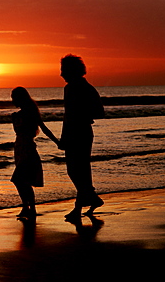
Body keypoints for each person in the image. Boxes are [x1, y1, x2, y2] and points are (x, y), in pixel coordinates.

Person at [58, 54, 105, 223]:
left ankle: (89, 200)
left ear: (70, 70)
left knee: (76, 171)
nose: (61, 74)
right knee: (80, 171)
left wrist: (65, 137)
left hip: (77, 133)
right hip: (82, 132)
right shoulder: (86, 87)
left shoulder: (73, 88)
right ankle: (83, 204)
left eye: (63, 70)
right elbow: (98, 112)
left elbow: (70, 115)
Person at [11, 86, 59, 219]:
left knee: (18, 179)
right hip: (19, 148)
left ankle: (29, 208)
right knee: (23, 180)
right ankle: (28, 207)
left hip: (27, 148)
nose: (12, 100)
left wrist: (57, 142)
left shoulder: (30, 113)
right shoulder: (16, 115)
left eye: (14, 97)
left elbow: (44, 128)